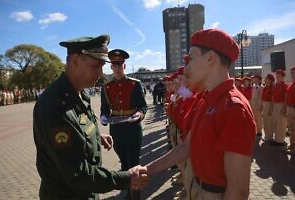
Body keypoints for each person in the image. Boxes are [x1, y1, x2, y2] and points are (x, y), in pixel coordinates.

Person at [139, 29, 256, 200]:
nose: (185, 69)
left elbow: (237, 191)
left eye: (191, 59)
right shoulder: (207, 100)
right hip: (197, 188)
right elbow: (187, 146)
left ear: (210, 58)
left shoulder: (234, 108)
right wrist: (148, 169)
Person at [33, 35, 147, 200]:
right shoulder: (56, 106)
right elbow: (78, 173)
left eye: (102, 67)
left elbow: (79, 126)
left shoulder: (79, 93)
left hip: (85, 191)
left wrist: (95, 136)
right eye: (96, 66)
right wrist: (126, 178)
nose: (101, 74)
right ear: (75, 60)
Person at [100, 49, 147, 200]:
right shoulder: (106, 87)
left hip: (133, 129)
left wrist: (139, 115)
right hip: (117, 130)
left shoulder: (135, 84)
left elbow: (143, 106)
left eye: (120, 64)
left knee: (134, 164)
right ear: (111, 67)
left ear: (124, 66)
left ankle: (135, 195)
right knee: (124, 164)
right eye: (115, 64)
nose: (118, 67)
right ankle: (128, 191)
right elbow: (104, 110)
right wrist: (103, 117)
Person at [271, 69, 288, 146]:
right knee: (275, 122)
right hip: (275, 105)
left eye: (280, 76)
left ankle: (281, 140)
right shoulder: (275, 85)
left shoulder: (284, 86)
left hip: (281, 105)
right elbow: (273, 96)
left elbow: (286, 97)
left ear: (283, 77)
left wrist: (284, 108)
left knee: (281, 123)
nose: (278, 78)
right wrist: (272, 106)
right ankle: (276, 138)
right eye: (277, 76)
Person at [286, 66, 295, 153]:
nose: (293, 75)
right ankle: (292, 144)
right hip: (289, 108)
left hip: (294, 108)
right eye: (292, 73)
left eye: (294, 73)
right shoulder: (291, 84)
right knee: (291, 128)